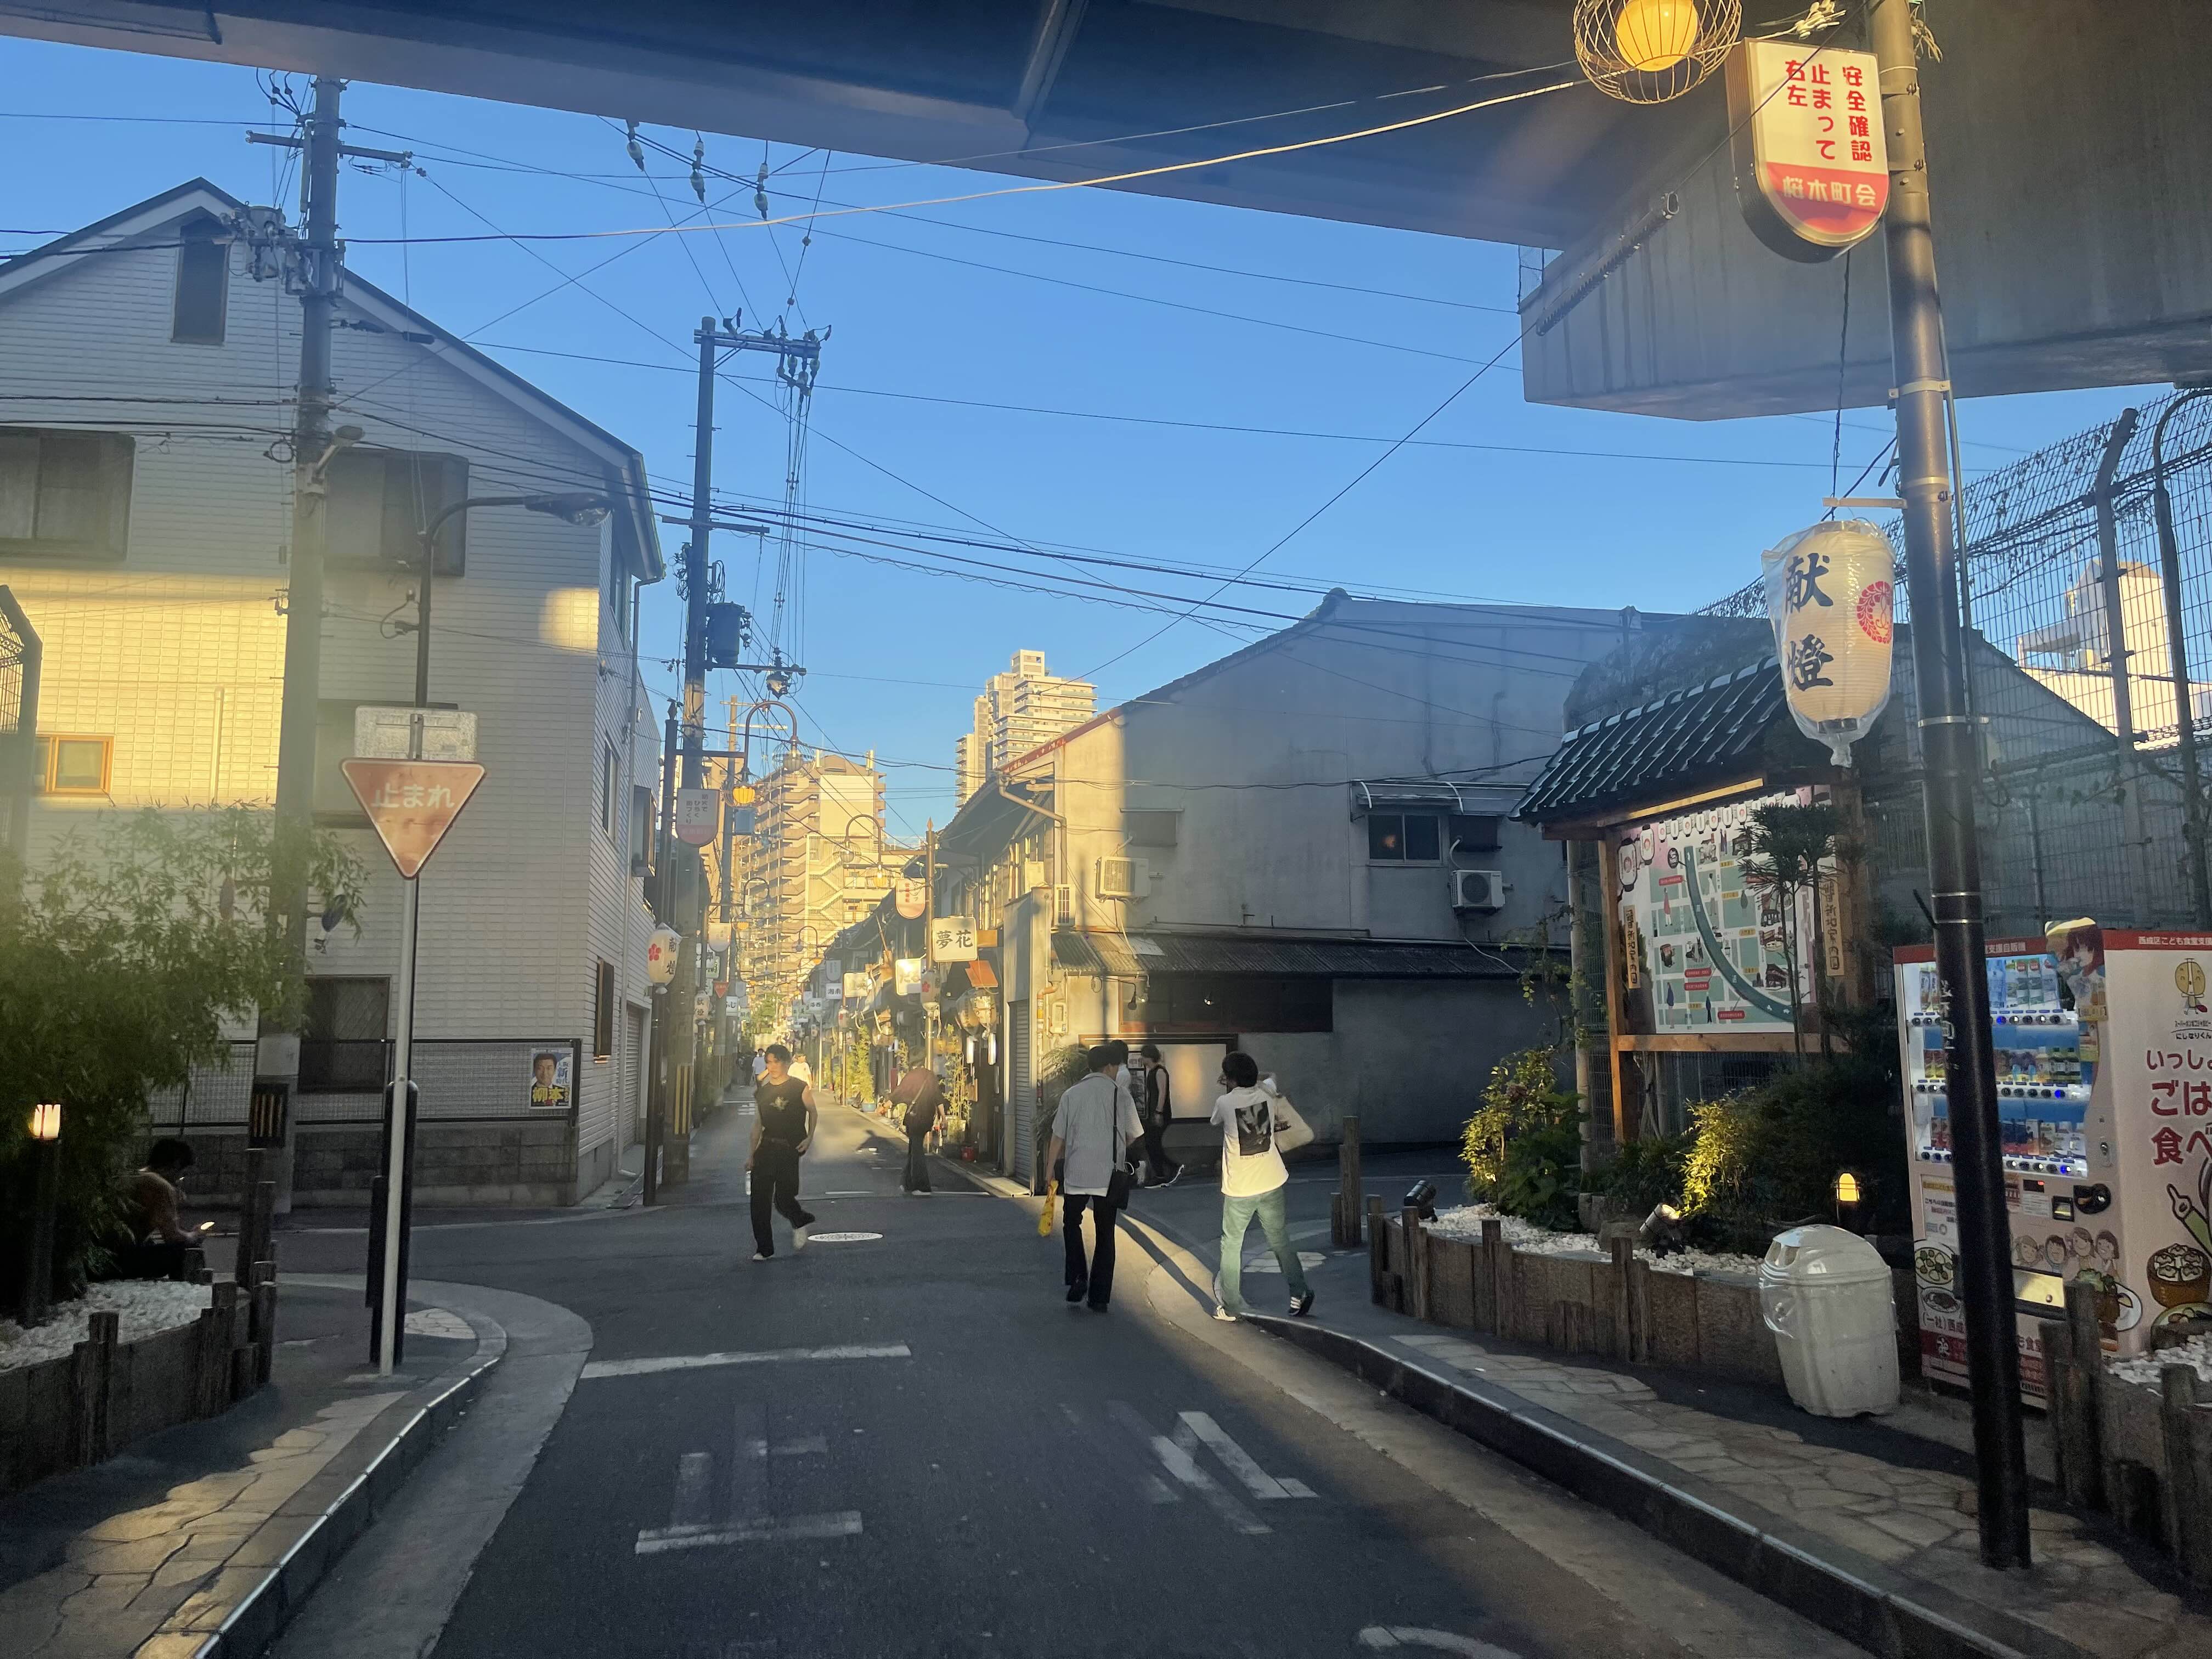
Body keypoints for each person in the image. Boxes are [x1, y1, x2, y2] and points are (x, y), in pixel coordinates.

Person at [1209, 1051, 1315, 1322]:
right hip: (1272, 1180)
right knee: (1280, 1240)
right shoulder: (1267, 1092)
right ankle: (1300, 1291)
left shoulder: (1224, 1103)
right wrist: (1250, 1077)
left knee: (1232, 1245)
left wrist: (1230, 1083)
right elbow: (1271, 1077)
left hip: (1240, 1188)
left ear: (1229, 1078)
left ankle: (1231, 1307)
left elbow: (1215, 1121)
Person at [1043, 1045, 1142, 1311]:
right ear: (1109, 1066)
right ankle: (1099, 1298)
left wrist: (1050, 1168)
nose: (1118, 1070)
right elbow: (1134, 1134)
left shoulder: (1071, 1094)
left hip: (1077, 1171)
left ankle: (1078, 1277)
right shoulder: (1121, 1094)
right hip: (1109, 1174)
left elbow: (1058, 1136)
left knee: (1071, 1224)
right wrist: (1118, 1147)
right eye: (1117, 1066)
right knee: (1105, 1232)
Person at [747, 1044, 818, 1260]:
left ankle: (799, 1219)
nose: (773, 1066)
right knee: (759, 1200)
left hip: (790, 1148)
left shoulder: (799, 1087)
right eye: (769, 1062)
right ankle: (764, 1248)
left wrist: (809, 1138)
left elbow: (813, 1112)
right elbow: (758, 1125)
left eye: (777, 1061)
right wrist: (751, 1154)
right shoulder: (762, 1093)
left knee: (783, 1198)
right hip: (766, 1147)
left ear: (786, 1063)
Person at [121, 1138, 196, 1280]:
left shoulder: (134, 1176)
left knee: (151, 1244)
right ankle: (187, 1286)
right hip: (122, 1260)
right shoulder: (160, 1185)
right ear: (176, 1165)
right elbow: (172, 1236)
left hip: (106, 1256)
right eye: (182, 1175)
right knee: (182, 1250)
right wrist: (194, 1235)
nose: (180, 1180)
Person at [890, 1059, 944, 1195]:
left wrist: (887, 1104)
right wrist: (944, 1117)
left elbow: (900, 1092)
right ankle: (908, 1183)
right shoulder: (931, 1076)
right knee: (914, 1148)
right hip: (927, 1119)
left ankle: (922, 1186)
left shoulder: (912, 1076)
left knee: (917, 1150)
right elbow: (938, 1098)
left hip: (914, 1118)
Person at [1136, 1042, 1181, 1187]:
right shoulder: (1152, 1072)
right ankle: (1165, 1170)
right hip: (1153, 1112)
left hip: (1159, 1112)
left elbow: (1162, 1092)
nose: (1142, 1059)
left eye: (1143, 1056)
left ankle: (1165, 1172)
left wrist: (1159, 1112)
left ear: (1148, 1057)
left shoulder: (1160, 1071)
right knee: (1152, 1143)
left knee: (1153, 1143)